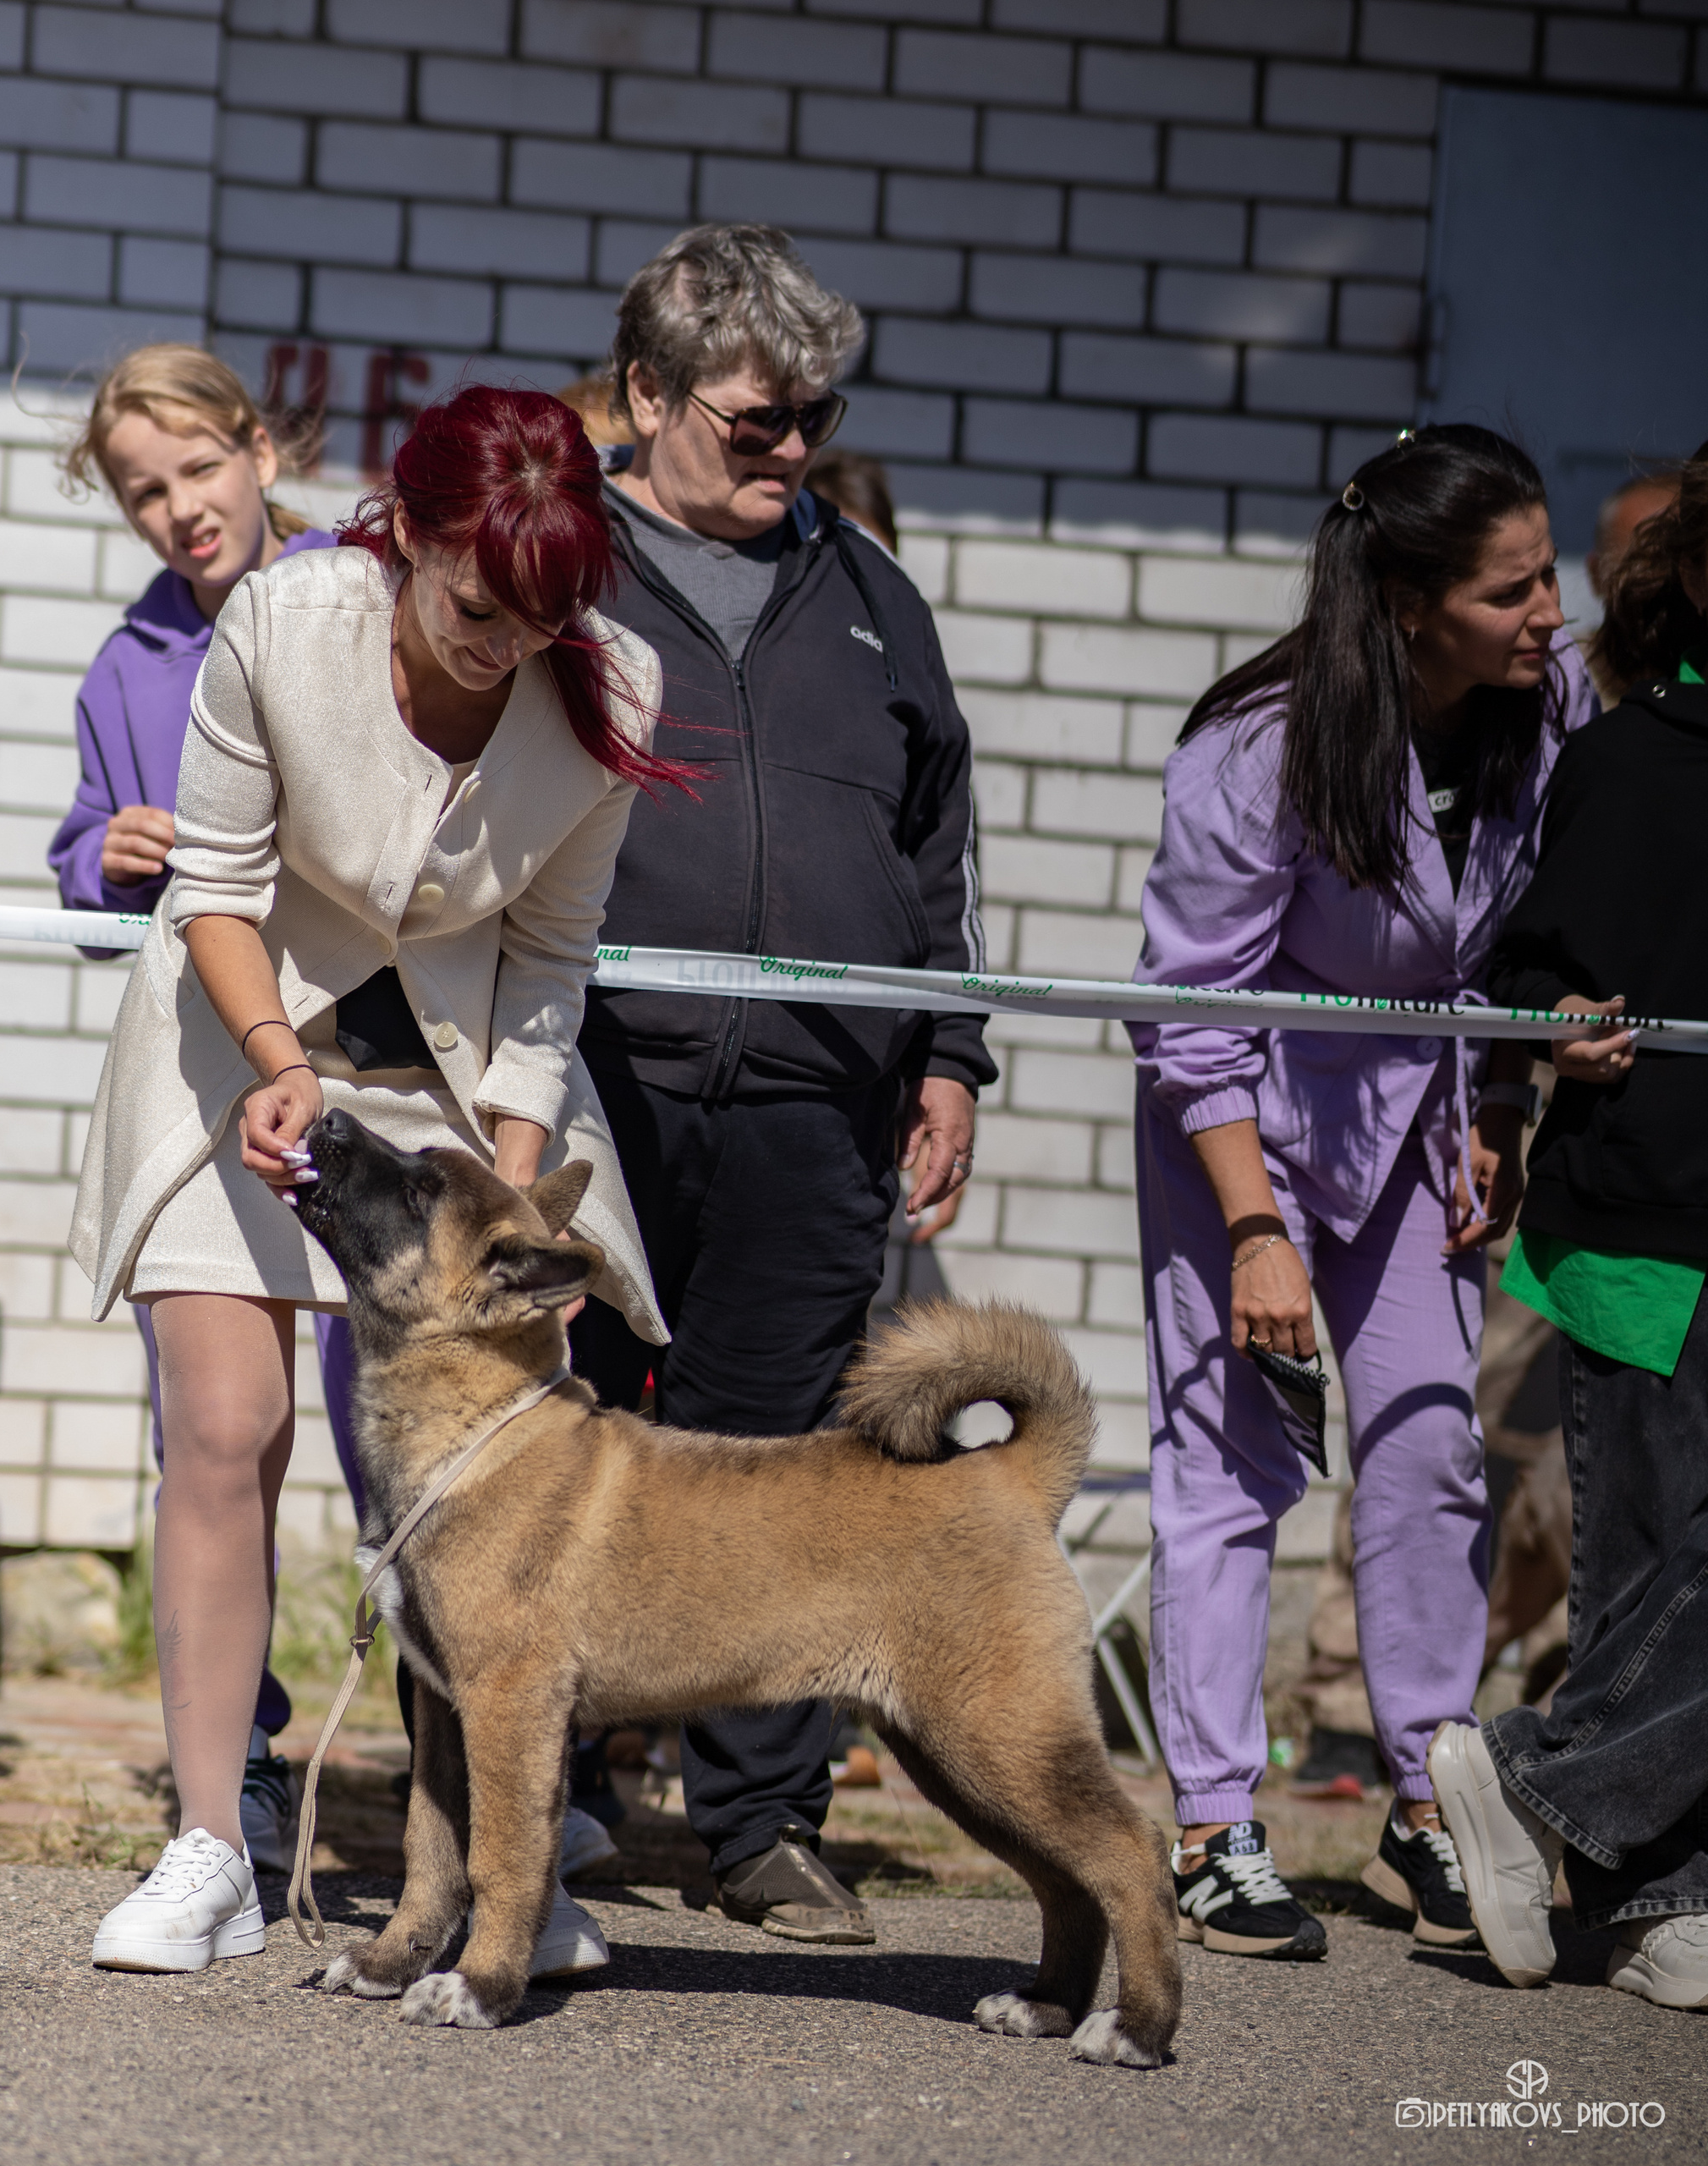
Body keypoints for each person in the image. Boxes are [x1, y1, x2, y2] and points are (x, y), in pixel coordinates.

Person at [69, 383, 676, 1977]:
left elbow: (550, 959)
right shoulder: (284, 619)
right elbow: (212, 887)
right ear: (404, 535)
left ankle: (504, 1870)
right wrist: (277, 1060)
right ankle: (213, 1847)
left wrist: (514, 1198)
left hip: (462, 1082)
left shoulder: (614, 681)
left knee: (478, 1472)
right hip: (240, 1033)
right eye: (477, 606)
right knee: (227, 1425)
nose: (505, 646)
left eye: (541, 619)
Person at [564, 224, 993, 1944]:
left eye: (817, 417)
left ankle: (760, 1827)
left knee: (779, 1476)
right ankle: (543, 1792)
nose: (794, 448)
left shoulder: (871, 593)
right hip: (590, 1089)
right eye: (758, 420)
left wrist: (947, 1052)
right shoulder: (558, 559)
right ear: (648, 394)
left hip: (818, 1104)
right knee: (564, 1441)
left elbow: (936, 842)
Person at [1131, 426, 1595, 1962]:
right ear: (1407, 603)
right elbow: (1191, 1011)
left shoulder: (1550, 711)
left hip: (1423, 1124)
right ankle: (1213, 1827)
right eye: (1512, 590)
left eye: (1550, 576)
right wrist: (1254, 1229)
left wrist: (1507, 1099)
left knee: (1429, 1454)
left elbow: (1524, 945)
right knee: (1230, 1463)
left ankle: (1427, 1801)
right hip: (1237, 1130)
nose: (1551, 614)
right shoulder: (1257, 742)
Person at [48, 344, 338, 1866]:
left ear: (263, 451)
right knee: (222, 1433)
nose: (179, 509)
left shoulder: (370, 591)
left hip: (377, 1060)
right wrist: (107, 859)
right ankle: (243, 1772)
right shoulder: (131, 662)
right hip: (212, 1080)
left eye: (199, 469)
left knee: (406, 1428)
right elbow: (82, 857)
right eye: (141, 492)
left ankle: (481, 1773)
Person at [1434, 442, 1708, 2010]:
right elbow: (1526, 967)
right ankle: (1654, 1901)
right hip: (1642, 1237)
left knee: (1678, 1594)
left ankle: (1536, 1775)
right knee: (1648, 1572)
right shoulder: (1634, 758)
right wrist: (1556, 1025)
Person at [1583, 470, 1678, 705]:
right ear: (1596, 574)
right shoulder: (1558, 675)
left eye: (1675, 566)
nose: (1658, 583)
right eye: (1638, 569)